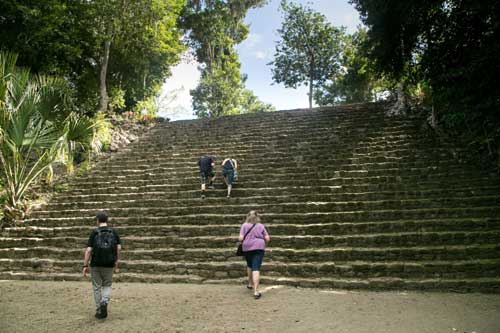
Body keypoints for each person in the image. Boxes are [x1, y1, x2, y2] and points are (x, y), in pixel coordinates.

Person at [83, 211, 121, 319]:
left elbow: (89, 250)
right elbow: (118, 248)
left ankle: (99, 309)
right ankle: (104, 301)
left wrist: (85, 266)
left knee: (96, 287)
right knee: (107, 285)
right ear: (107, 220)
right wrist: (117, 262)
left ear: (98, 220)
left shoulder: (94, 232)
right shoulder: (114, 232)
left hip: (96, 263)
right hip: (109, 263)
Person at [239, 210, 270, 299]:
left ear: (247, 216)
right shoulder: (260, 226)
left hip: (247, 248)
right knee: (256, 268)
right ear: (257, 217)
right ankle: (256, 291)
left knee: (249, 265)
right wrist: (264, 244)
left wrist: (246, 241)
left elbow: (240, 238)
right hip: (259, 247)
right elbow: (267, 238)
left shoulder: (244, 225)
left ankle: (250, 283)